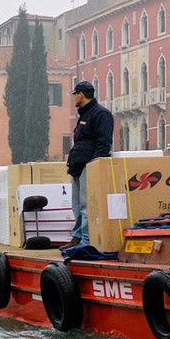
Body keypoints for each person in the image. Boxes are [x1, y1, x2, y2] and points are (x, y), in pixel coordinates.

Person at [65, 80, 114, 247]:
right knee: (77, 204)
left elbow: (104, 142)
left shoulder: (101, 114)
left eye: (74, 95)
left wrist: (94, 165)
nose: (73, 98)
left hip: (89, 165)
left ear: (81, 95)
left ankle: (86, 240)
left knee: (86, 205)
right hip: (78, 165)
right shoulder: (85, 114)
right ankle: (77, 236)